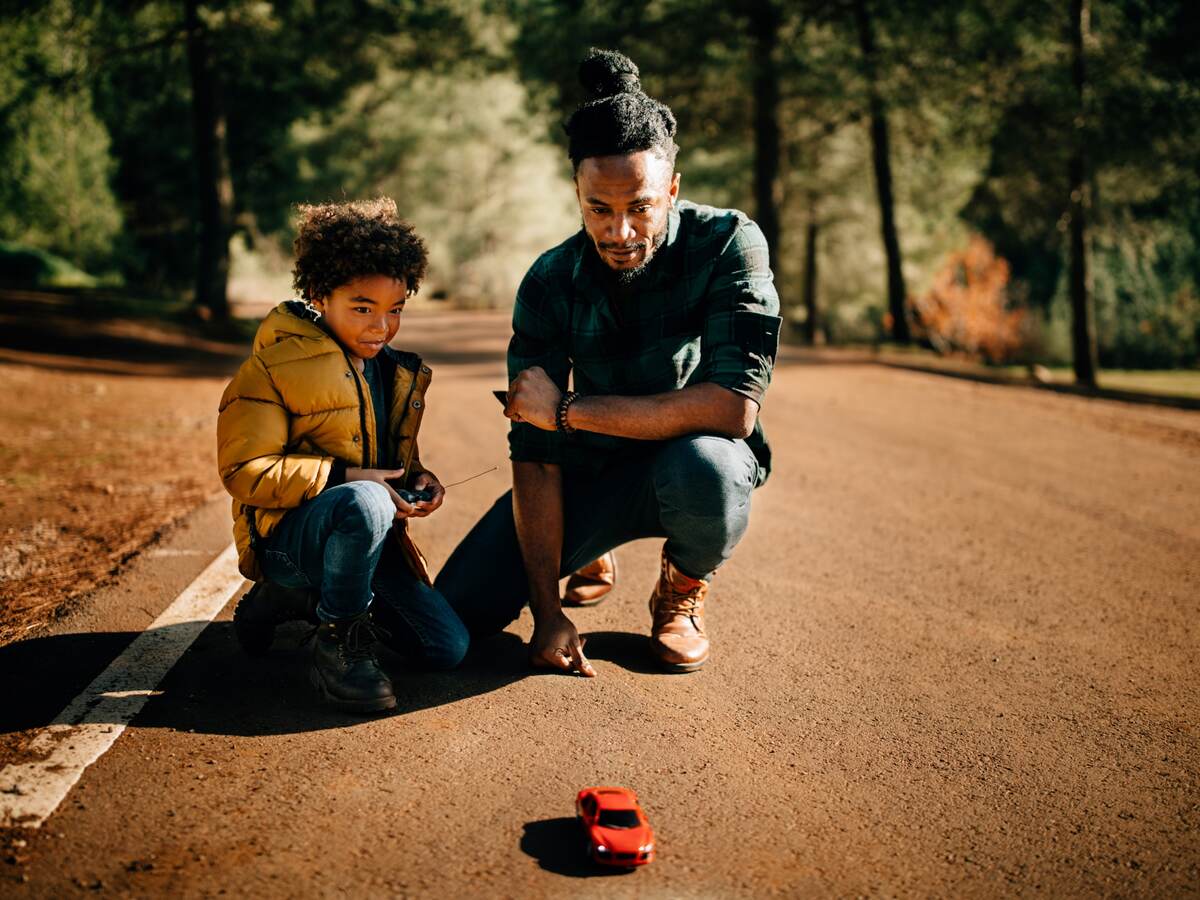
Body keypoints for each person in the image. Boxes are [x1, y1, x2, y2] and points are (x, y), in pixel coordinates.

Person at [436, 49, 781, 676]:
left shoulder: (729, 243)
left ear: (672, 187)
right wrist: (545, 612)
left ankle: (680, 588)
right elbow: (535, 454)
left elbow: (732, 409)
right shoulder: (548, 281)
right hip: (585, 471)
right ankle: (588, 551)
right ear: (577, 191)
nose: (620, 231)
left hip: (686, 460)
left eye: (641, 207)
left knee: (710, 469)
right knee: (451, 619)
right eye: (599, 208)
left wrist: (565, 410)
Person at [216, 198, 468, 713]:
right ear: (318, 295)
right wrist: (350, 479)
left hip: (363, 535)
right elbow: (244, 472)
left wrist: (417, 479)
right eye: (362, 308)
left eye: (395, 310)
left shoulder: (394, 370)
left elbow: (387, 459)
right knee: (367, 503)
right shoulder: (271, 367)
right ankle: (337, 641)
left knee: (447, 648)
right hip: (287, 542)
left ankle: (301, 601)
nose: (382, 327)